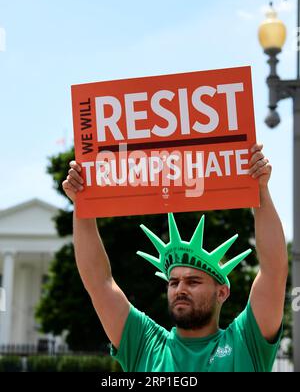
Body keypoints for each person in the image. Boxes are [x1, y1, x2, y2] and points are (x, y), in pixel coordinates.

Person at [62, 143, 288, 372]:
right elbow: (100, 283)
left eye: (193, 281)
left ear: (222, 292)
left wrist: (260, 189)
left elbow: (274, 272)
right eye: (173, 282)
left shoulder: (244, 341)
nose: (180, 289)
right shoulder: (145, 343)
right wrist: (82, 205)